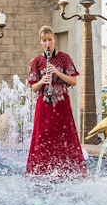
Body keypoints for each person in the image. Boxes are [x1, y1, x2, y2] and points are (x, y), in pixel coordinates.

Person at [25, 26, 87, 180]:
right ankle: (41, 171)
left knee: (64, 135)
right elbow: (33, 88)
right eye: (44, 40)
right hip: (44, 104)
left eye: (50, 39)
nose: (48, 43)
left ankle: (67, 171)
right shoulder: (37, 61)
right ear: (40, 42)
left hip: (61, 104)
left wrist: (57, 72)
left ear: (54, 40)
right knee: (42, 135)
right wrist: (42, 81)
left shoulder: (64, 58)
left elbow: (73, 81)